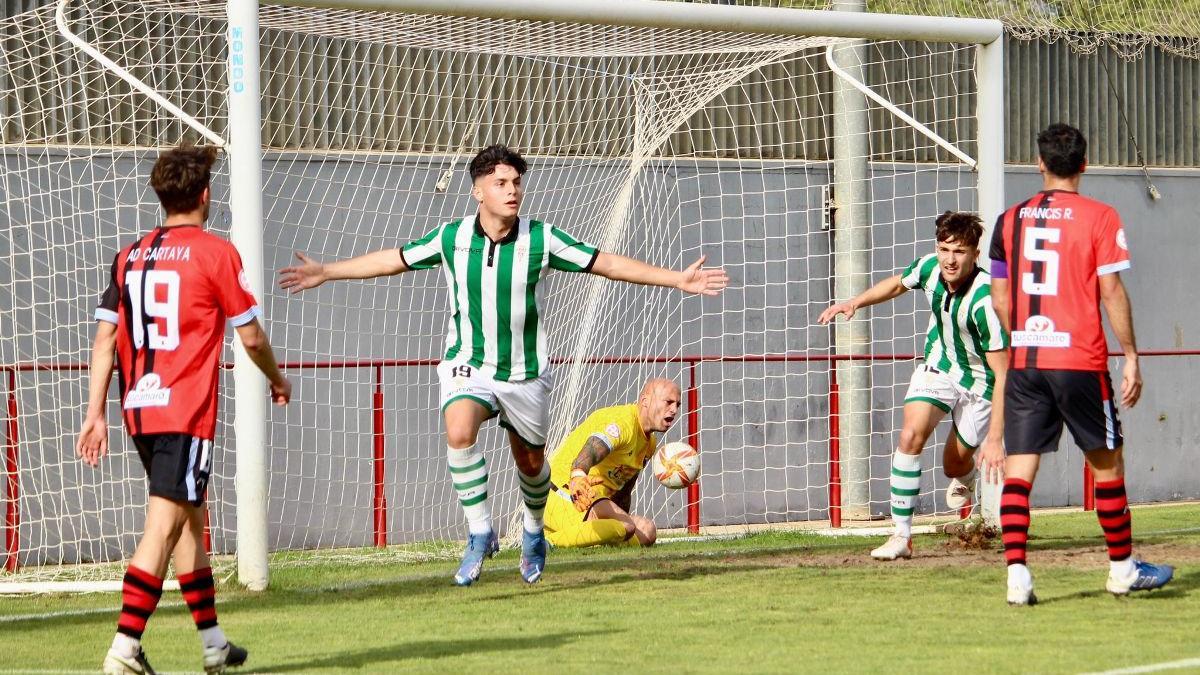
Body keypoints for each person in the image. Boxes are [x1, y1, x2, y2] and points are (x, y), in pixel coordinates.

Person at [279, 145, 727, 585]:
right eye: (501, 182)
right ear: (478, 191)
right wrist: (328, 271)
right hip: (467, 363)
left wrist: (676, 279)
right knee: (459, 430)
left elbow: (605, 263)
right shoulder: (451, 237)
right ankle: (479, 532)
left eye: (516, 182)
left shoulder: (541, 239)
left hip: (524, 373)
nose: (512, 190)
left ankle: (533, 531)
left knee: (531, 466)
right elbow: (393, 259)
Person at [77, 145, 292, 674]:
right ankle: (124, 648)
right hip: (185, 412)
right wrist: (277, 377)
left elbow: (106, 338)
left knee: (191, 523)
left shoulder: (130, 255)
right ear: (205, 195)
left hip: (139, 410)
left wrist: (95, 413)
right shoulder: (217, 253)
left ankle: (215, 643)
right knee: (164, 526)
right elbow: (253, 336)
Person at [989, 123, 1172, 605]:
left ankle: (1017, 578)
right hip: (1080, 361)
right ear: (1084, 165)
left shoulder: (1009, 221)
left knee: (1019, 471)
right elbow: (1110, 290)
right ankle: (1121, 571)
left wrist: (1023, 338)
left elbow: (1000, 297)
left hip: (1027, 361)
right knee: (1108, 465)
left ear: (1040, 163)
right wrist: (1131, 355)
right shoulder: (1101, 216)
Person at [819, 211, 1008, 560]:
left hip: (982, 383)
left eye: (960, 251)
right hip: (939, 365)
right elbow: (897, 284)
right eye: (944, 249)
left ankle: (964, 476)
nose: (950, 259)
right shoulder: (929, 268)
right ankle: (901, 537)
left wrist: (995, 438)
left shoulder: (986, 302)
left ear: (975, 255)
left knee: (952, 464)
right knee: (909, 436)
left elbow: (1004, 373)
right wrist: (855, 302)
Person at [543, 378, 681, 548]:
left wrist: (621, 521)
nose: (674, 410)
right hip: (560, 491)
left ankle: (570, 535)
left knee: (647, 530)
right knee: (625, 526)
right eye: (668, 402)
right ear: (645, 401)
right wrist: (578, 474)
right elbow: (592, 449)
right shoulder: (622, 423)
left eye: (677, 405)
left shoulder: (649, 444)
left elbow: (624, 490)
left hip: (594, 501)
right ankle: (544, 544)